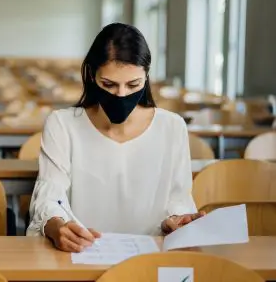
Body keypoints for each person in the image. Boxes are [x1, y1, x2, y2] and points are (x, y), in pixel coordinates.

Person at [26, 23, 205, 252]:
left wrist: (177, 221)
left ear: (146, 76)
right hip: (80, 254)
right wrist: (56, 226)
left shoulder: (172, 127)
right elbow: (49, 197)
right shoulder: (63, 124)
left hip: (150, 257)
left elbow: (178, 200)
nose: (121, 95)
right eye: (109, 84)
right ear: (92, 75)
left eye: (133, 84)